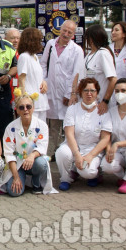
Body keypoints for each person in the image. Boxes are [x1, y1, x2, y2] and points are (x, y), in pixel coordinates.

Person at [55, 78, 112, 191]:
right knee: (62, 153)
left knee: (88, 173)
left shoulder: (103, 111)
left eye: (93, 91)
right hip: (73, 146)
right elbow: (69, 134)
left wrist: (90, 155)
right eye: (86, 90)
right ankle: (66, 178)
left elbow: (105, 138)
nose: (89, 94)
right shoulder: (72, 109)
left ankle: (93, 173)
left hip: (92, 148)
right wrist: (77, 154)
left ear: (97, 93)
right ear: (80, 92)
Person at [40, 20, 83, 158]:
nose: (66, 34)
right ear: (60, 29)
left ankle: (69, 150)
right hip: (51, 90)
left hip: (67, 92)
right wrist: (44, 81)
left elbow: (76, 73)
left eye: (69, 32)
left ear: (73, 34)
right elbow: (43, 65)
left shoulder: (76, 50)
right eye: (64, 30)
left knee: (69, 124)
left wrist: (70, 93)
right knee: (53, 125)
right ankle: (53, 151)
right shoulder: (51, 45)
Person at [0, 95, 56, 196]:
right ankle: (21, 177)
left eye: (28, 106)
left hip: (34, 163)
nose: (25, 110)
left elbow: (42, 147)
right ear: (17, 110)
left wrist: (32, 156)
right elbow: (9, 154)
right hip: (17, 165)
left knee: (41, 163)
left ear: (33, 108)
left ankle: (36, 182)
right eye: (21, 107)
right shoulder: (10, 128)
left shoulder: (42, 125)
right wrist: (16, 178)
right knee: (14, 192)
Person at [78, 24, 117, 115]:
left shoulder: (103, 54)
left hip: (100, 103)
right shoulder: (89, 55)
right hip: (88, 101)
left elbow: (113, 79)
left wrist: (105, 101)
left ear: (91, 39)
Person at [16, 27, 49, 122]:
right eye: (38, 40)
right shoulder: (24, 57)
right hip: (31, 103)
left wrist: (43, 82)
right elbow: (21, 80)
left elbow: (37, 76)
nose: (40, 43)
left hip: (41, 101)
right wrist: (23, 102)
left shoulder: (35, 57)